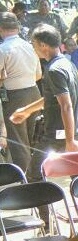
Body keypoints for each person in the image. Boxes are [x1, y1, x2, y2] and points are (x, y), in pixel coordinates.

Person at [10, 23, 78, 227]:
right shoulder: (65, 63)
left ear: (43, 45)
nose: (33, 48)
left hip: (59, 137)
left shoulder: (53, 70)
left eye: (34, 44)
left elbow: (66, 105)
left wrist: (70, 141)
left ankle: (45, 223)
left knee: (35, 175)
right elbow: (51, 98)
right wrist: (26, 111)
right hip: (74, 132)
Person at [1, 11, 43, 176]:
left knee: (19, 141)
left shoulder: (3, 49)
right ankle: (37, 173)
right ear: (17, 27)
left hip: (15, 96)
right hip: (34, 92)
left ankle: (26, 178)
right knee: (33, 137)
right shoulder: (29, 47)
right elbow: (38, 74)